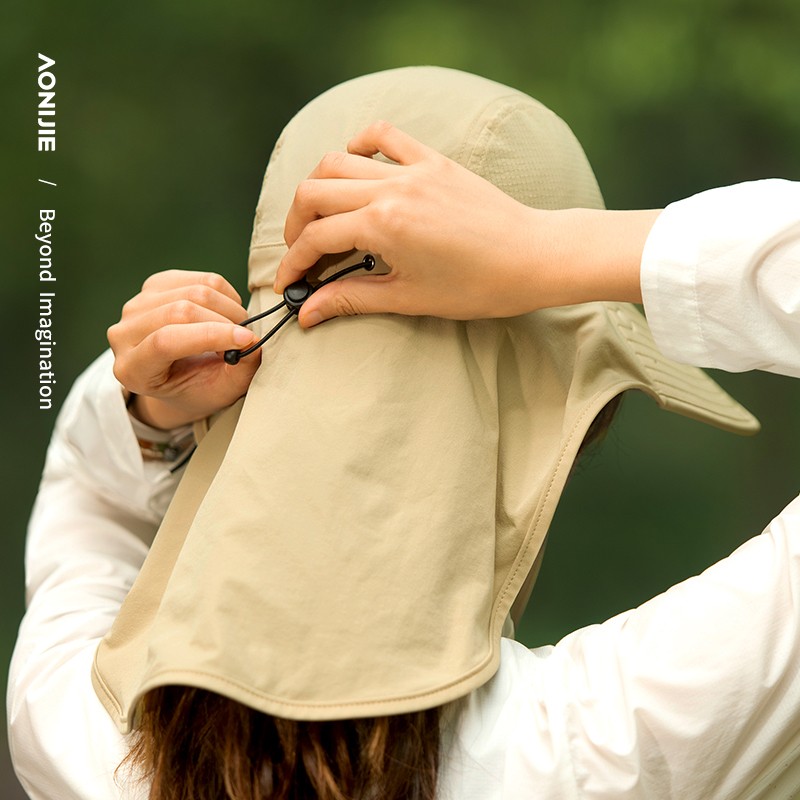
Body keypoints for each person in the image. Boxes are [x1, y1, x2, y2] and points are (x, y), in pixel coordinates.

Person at [7, 66, 799, 800]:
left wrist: (155, 418)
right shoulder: (600, 742)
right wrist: (553, 250)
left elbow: (91, 500)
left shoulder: (82, 734)